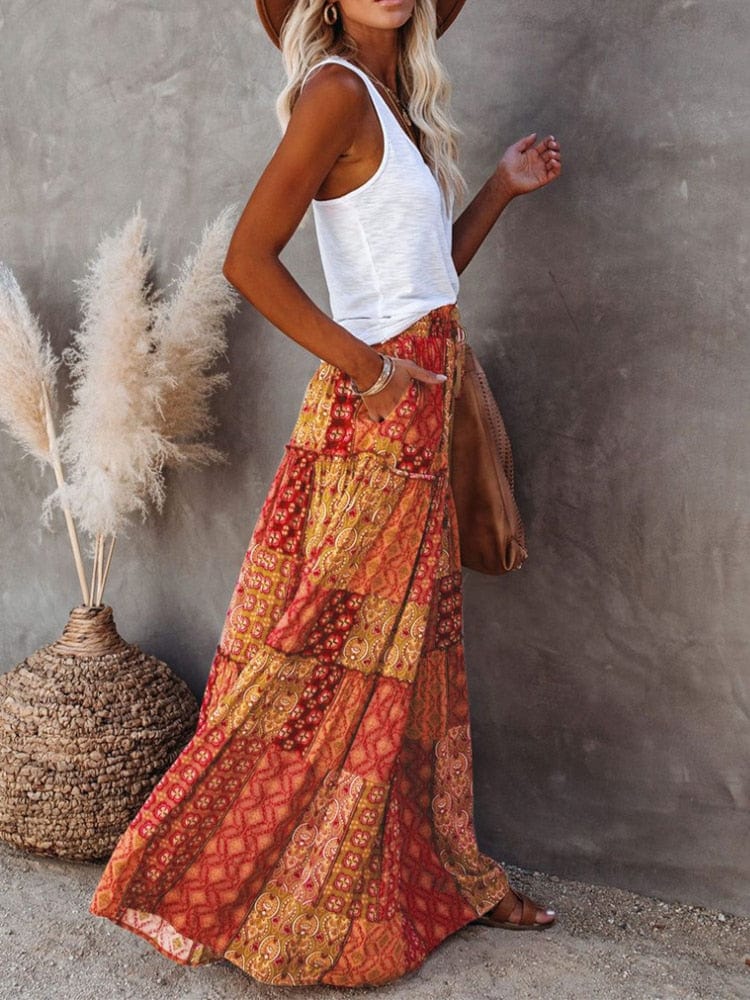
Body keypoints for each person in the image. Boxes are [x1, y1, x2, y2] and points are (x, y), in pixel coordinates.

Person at [89, 0, 562, 987]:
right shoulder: (337, 92)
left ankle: (435, 874)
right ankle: (223, 883)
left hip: (424, 398)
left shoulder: (394, 103)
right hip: (380, 413)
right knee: (319, 657)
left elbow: (424, 279)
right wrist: (372, 372)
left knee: (415, 663)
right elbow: (246, 258)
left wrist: (501, 190)